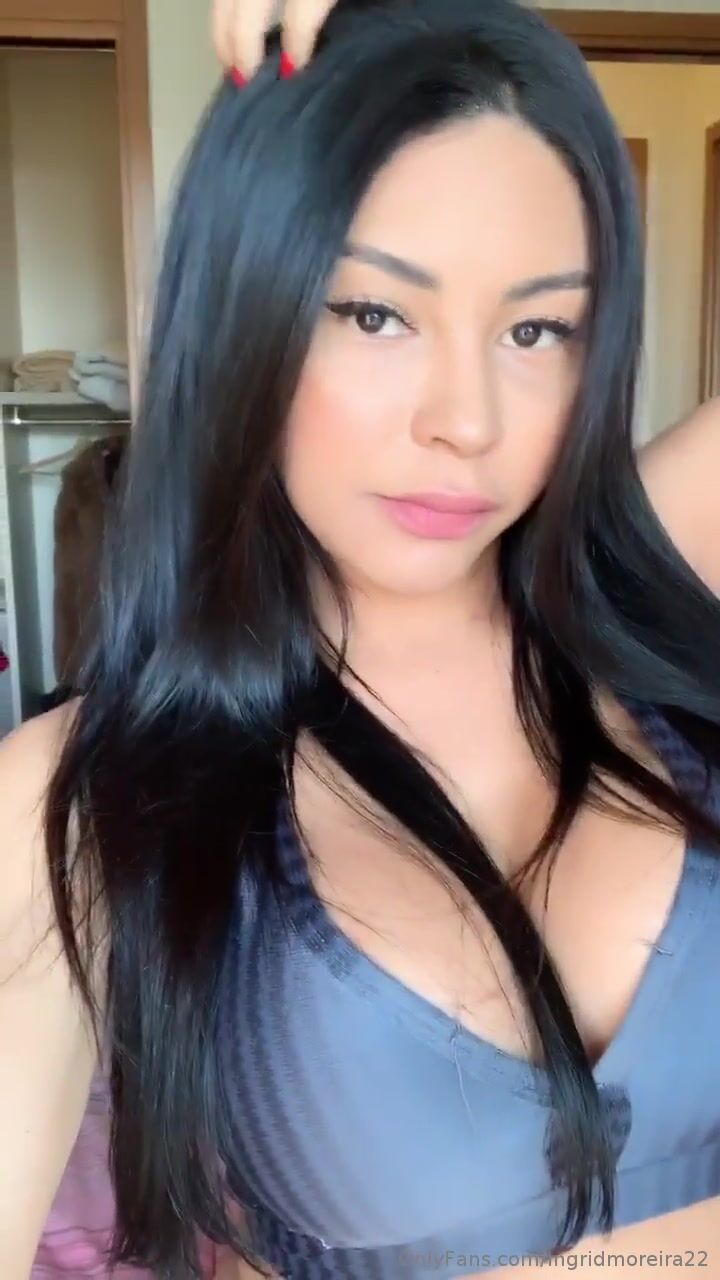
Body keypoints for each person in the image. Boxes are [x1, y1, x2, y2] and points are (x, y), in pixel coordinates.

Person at [3, 1, 720, 1277]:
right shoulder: (74, 797)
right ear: (244, 311)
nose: (467, 420)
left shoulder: (646, 583)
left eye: (537, 329)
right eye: (375, 313)